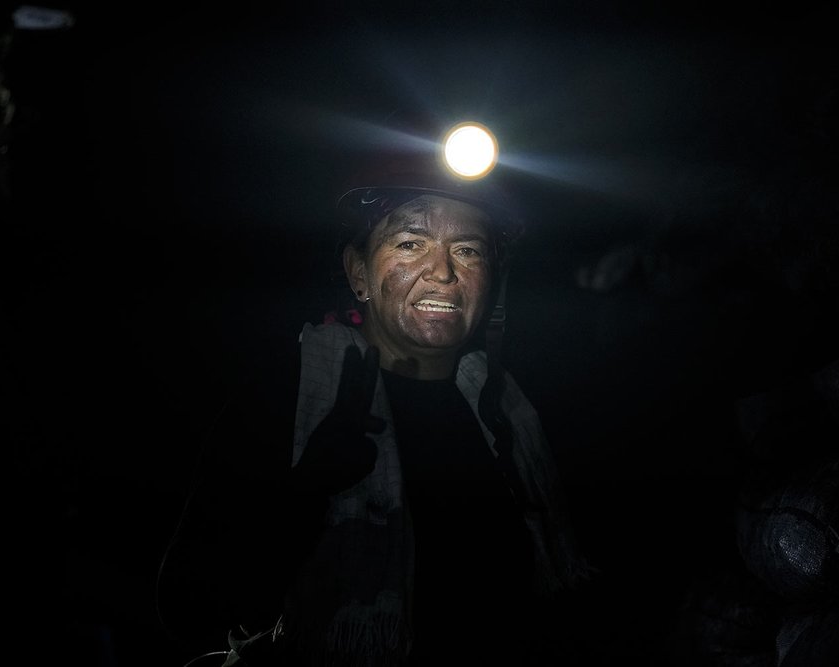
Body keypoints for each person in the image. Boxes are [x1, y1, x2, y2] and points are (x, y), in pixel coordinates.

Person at [157, 117, 592, 666]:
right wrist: (302, 497)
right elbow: (187, 611)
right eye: (410, 242)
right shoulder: (289, 395)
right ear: (358, 273)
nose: (442, 272)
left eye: (469, 250)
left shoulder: (510, 415)